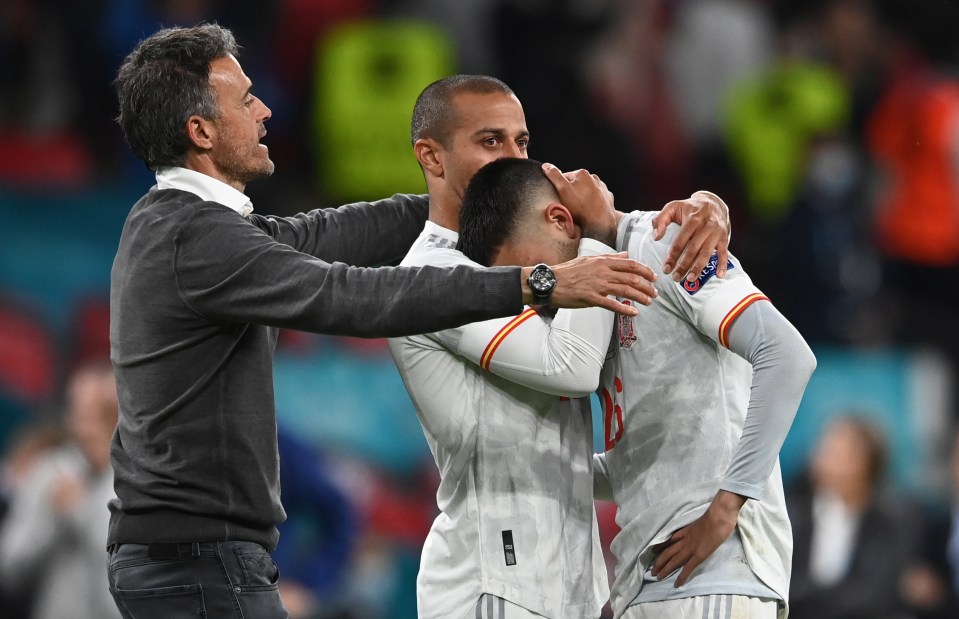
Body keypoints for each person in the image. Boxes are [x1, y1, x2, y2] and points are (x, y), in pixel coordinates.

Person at [106, 24, 663, 619]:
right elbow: (348, 294)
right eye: (245, 99)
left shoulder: (191, 228)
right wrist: (540, 279)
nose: (265, 108)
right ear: (200, 131)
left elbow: (337, 232)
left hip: (189, 556)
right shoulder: (196, 236)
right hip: (197, 561)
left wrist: (496, 197)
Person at [388, 74, 732, 618]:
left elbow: (550, 445)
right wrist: (592, 234)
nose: (513, 157)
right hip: (495, 584)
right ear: (432, 157)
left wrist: (707, 207)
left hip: (571, 586)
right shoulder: (432, 277)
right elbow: (569, 366)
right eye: (489, 141)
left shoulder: (535, 257)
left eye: (521, 142)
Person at [457, 157, 817, 618]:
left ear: (560, 220)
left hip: (713, 571)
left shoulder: (668, 244)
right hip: (647, 577)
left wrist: (728, 506)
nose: (540, 294)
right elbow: (639, 458)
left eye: (536, 273)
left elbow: (786, 356)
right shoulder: (587, 307)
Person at [0, 360, 121, 619]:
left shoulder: (137, 485)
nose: (87, 427)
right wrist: (50, 521)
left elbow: (128, 581)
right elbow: (10, 569)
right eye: (81, 414)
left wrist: (81, 515)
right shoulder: (50, 472)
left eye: (102, 414)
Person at [786, 415, 917, 619]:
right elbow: (787, 584)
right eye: (824, 448)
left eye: (836, 452)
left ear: (865, 462)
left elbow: (876, 592)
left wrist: (819, 598)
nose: (821, 458)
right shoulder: (793, 511)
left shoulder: (890, 519)